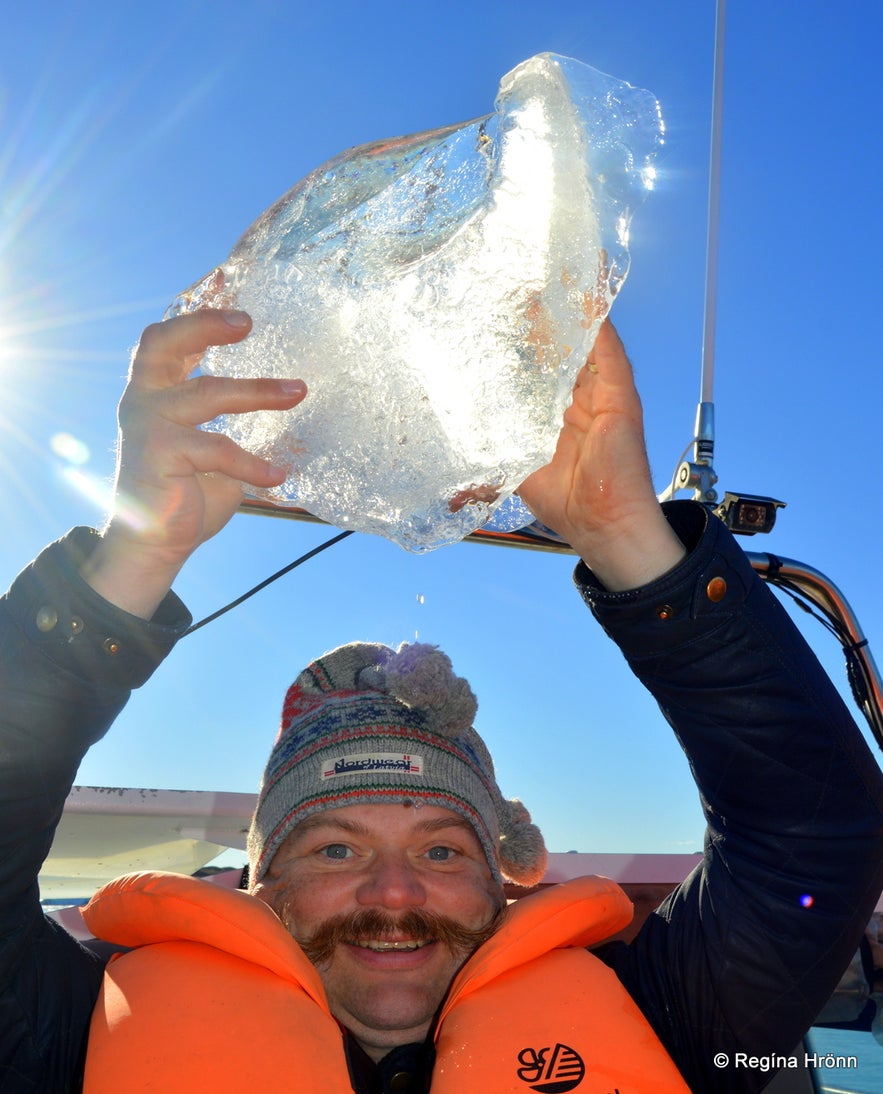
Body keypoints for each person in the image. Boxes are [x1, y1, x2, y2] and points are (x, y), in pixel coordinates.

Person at [2, 310, 882, 1094]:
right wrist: (131, 558)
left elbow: (810, 836)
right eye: (335, 845)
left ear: (501, 883)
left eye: (444, 849)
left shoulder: (662, 1015)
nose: (393, 893)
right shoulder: (71, 1030)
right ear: (259, 880)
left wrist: (626, 536)